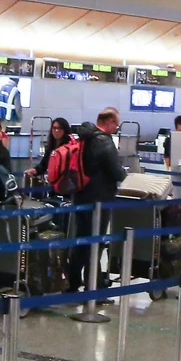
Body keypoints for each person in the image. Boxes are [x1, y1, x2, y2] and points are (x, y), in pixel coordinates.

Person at [73, 109, 130, 285]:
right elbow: (117, 172)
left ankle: (73, 283)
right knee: (95, 244)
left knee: (81, 241)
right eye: (116, 124)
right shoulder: (105, 141)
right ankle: (94, 288)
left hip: (80, 195)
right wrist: (123, 173)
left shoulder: (84, 138)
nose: (116, 128)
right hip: (100, 199)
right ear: (110, 122)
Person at [30, 117, 73, 191]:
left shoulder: (69, 147)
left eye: (60, 128)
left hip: (66, 182)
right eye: (54, 128)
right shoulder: (51, 146)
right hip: (53, 181)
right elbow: (44, 164)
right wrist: (35, 170)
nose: (56, 131)